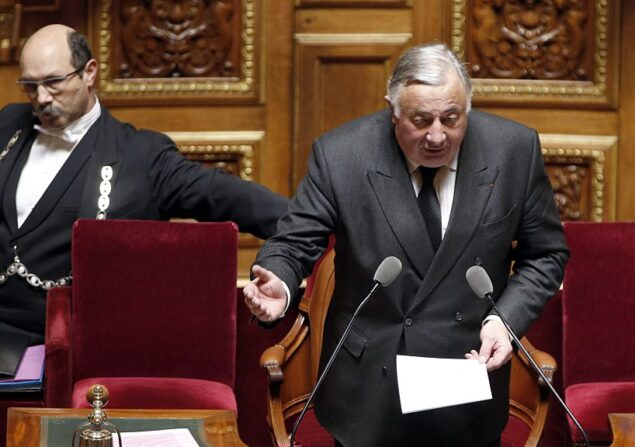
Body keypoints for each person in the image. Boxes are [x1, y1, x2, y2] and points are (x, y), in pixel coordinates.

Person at [244, 43, 568, 446]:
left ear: (468, 105)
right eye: (420, 119)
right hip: (370, 389)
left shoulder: (513, 150)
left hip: (466, 382)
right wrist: (281, 279)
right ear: (392, 111)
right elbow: (294, 241)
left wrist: (505, 319)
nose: (437, 135)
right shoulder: (342, 155)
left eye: (451, 118)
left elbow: (546, 254)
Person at [0, 24, 288, 347]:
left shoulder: (141, 156)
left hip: (66, 345)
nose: (40, 98)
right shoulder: (9, 124)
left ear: (89, 72)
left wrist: (307, 225)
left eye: (53, 83)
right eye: (29, 85)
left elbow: (223, 195)